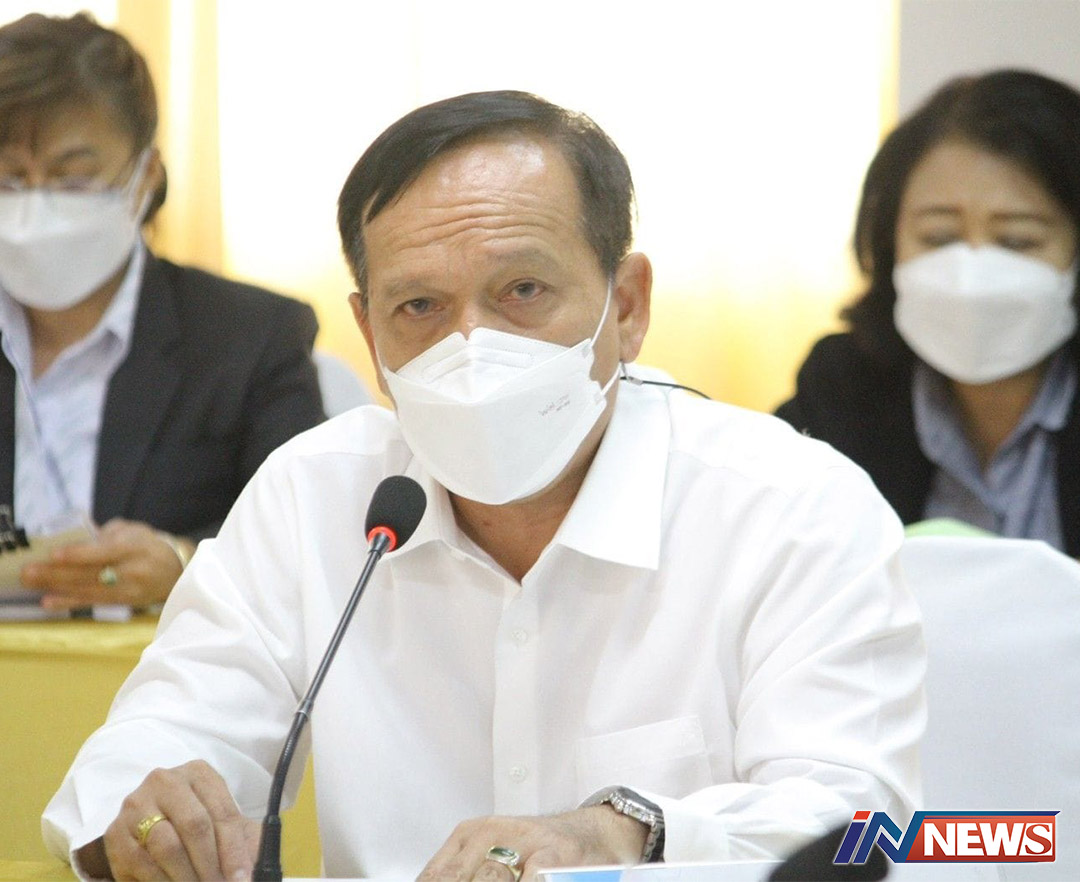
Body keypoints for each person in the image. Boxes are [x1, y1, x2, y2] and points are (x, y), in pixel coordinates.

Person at [43, 90, 924, 880]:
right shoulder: (312, 496)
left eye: (523, 290)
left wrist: (625, 832)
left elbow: (860, 826)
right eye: (419, 307)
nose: (470, 347)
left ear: (626, 306)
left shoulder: (794, 507)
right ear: (370, 334)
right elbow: (149, 750)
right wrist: (153, 820)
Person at [0, 12, 326, 610]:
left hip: (165, 659)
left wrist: (184, 563)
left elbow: (311, 537)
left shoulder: (249, 337)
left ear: (145, 177)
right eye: (10, 181)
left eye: (73, 180)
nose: (34, 208)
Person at [776, 69, 1080, 556]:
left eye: (1016, 241)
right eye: (939, 238)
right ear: (890, 244)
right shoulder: (841, 386)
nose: (971, 274)